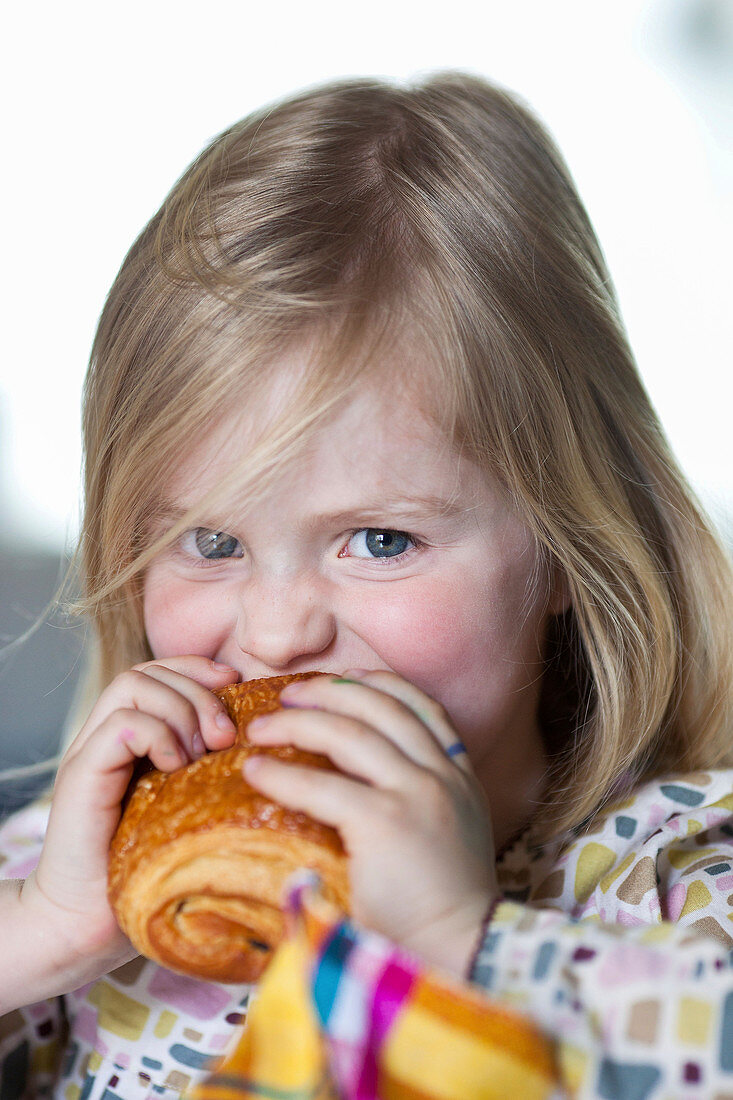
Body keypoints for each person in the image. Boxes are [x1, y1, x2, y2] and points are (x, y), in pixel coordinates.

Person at [1, 71, 732, 1099]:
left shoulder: (669, 874)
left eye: (381, 540)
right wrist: (35, 937)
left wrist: (463, 946)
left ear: (568, 543)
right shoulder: (71, 872)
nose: (276, 631)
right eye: (211, 540)